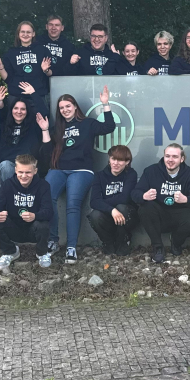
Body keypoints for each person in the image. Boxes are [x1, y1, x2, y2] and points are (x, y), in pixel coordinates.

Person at [45, 87, 117, 264]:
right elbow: (46, 152)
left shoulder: (88, 123)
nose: (65, 110)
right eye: (62, 108)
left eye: (68, 106)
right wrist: (45, 130)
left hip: (82, 170)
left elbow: (109, 126)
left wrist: (105, 104)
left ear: (75, 106)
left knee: (72, 205)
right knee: (47, 197)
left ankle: (71, 247)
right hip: (59, 170)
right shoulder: (57, 128)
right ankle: (53, 240)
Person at [133, 144, 190, 263]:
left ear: (182, 159)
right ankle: (157, 247)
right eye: (167, 156)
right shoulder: (151, 171)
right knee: (145, 208)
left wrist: (186, 199)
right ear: (164, 157)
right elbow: (135, 193)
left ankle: (176, 242)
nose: (170, 160)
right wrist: (144, 196)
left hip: (180, 213)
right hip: (158, 214)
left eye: (175, 157)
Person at [0, 153, 54, 270]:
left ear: (35, 171)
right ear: (15, 170)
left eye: (28, 172)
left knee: (43, 224)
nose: (24, 176)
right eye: (20, 172)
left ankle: (42, 253)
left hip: (33, 229)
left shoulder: (43, 185)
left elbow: (49, 212)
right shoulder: (7, 185)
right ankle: (10, 251)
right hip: (13, 228)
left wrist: (35, 216)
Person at [0, 84, 51, 185]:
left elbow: (44, 114)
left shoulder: (33, 126)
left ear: (27, 111)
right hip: (8, 169)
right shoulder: (3, 127)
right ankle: (12, 192)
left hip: (28, 169)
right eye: (16, 108)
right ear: (11, 110)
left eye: (23, 109)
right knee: (6, 166)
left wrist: (33, 94)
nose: (19, 112)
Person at [87, 145, 138, 256]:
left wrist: (102, 202)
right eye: (113, 159)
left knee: (121, 207)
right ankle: (108, 242)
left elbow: (125, 198)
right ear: (109, 159)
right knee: (94, 215)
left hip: (127, 215)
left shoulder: (131, 174)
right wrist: (111, 210)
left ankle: (123, 241)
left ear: (127, 162)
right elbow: (93, 201)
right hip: (109, 216)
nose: (115, 163)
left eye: (120, 160)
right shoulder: (99, 176)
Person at [0, 21, 52, 104]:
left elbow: (51, 73)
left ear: (33, 34)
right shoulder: (11, 53)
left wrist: (46, 70)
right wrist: (0, 64)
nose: (25, 34)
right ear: (18, 34)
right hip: (16, 96)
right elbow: (7, 78)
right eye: (22, 32)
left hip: (38, 95)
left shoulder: (42, 50)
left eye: (28, 32)